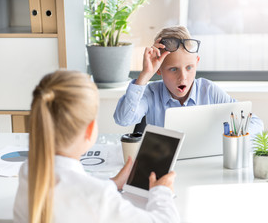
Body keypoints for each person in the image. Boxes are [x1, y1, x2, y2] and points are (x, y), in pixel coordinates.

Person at [13, 70, 179, 223]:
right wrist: (162, 192)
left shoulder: (28, 171)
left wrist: (113, 184)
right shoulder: (98, 197)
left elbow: (74, 192)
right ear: (90, 129)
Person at [114, 26, 263, 136]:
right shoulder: (150, 93)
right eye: (173, 69)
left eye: (189, 67)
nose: (183, 77)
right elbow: (123, 119)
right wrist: (145, 75)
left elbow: (256, 123)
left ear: (197, 62)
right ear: (158, 69)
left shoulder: (208, 91)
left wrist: (227, 138)